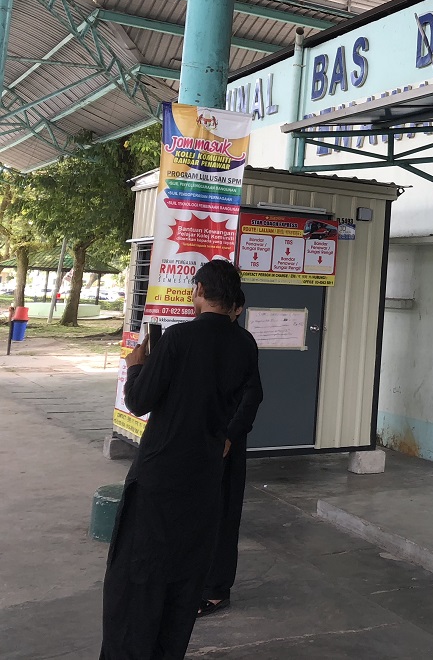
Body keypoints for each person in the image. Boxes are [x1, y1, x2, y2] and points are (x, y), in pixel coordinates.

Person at [100, 260, 259, 660]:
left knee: (138, 577)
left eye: (194, 290)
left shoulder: (177, 339)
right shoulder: (245, 344)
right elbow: (247, 398)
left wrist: (136, 367)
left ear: (201, 291)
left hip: (160, 477)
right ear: (234, 301)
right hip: (205, 477)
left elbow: (139, 401)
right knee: (185, 578)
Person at [198, 288, 262, 618]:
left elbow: (252, 397)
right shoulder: (197, 338)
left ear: (237, 310)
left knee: (223, 515)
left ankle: (216, 590)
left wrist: (230, 437)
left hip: (227, 445)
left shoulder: (243, 343)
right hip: (198, 442)